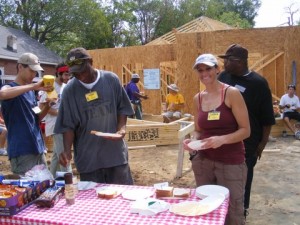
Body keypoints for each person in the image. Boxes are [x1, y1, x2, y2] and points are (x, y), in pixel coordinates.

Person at [183, 53, 250, 225]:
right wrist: (192, 141)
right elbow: (198, 130)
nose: (204, 73)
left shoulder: (231, 93)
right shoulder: (198, 98)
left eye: (208, 69)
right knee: (205, 207)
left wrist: (222, 139)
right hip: (204, 162)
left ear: (217, 69)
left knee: (233, 209)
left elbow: (246, 130)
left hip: (230, 163)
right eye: (200, 70)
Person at [54, 47, 134, 185]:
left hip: (115, 156)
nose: (81, 76)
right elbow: (68, 125)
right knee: (94, 202)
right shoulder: (69, 91)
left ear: (91, 61)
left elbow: (122, 108)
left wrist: (121, 129)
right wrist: (67, 150)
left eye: (83, 70)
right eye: (75, 73)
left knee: (122, 198)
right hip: (88, 159)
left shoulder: (111, 79)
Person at [218, 44, 275, 218]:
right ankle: (223, 214)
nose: (224, 63)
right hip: (223, 140)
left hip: (247, 143)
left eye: (228, 60)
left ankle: (241, 214)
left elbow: (266, 118)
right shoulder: (223, 76)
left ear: (240, 62)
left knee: (242, 181)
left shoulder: (258, 84)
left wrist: (262, 144)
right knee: (222, 178)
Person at [0, 53, 54, 175]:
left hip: (37, 148)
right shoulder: (9, 87)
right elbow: (2, 94)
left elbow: (36, 119)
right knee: (27, 191)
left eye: (36, 72)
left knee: (44, 189)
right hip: (22, 150)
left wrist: (47, 106)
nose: (34, 75)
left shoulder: (30, 92)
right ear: (20, 67)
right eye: (31, 71)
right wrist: (33, 86)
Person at [39, 63, 72, 177]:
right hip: (55, 126)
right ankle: (69, 181)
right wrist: (60, 114)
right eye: (66, 75)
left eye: (69, 75)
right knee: (63, 155)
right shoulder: (51, 87)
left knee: (56, 156)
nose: (68, 77)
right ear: (59, 73)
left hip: (64, 125)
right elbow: (42, 107)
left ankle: (50, 179)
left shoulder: (64, 87)